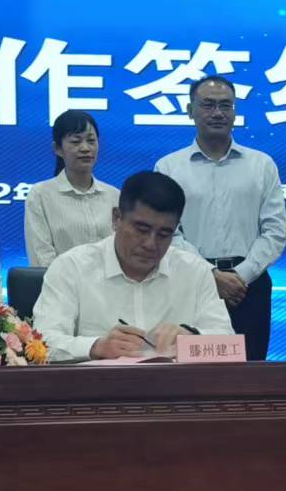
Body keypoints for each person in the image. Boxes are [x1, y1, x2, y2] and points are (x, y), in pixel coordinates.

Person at [33, 171, 233, 363]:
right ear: (116, 218)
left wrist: (193, 337)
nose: (150, 244)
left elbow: (228, 342)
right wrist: (96, 347)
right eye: (142, 230)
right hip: (99, 385)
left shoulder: (195, 272)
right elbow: (42, 342)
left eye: (164, 234)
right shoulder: (71, 267)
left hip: (177, 385)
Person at [155, 76, 286, 359]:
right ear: (190, 111)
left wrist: (241, 276)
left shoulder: (261, 165)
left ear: (235, 112)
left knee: (250, 371)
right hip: (190, 283)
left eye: (226, 105)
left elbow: (275, 231)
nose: (218, 113)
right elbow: (168, 233)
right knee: (191, 369)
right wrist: (210, 275)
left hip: (249, 288)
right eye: (208, 105)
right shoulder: (169, 167)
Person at [24, 109, 118, 266]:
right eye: (76, 142)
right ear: (57, 148)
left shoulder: (114, 196)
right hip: (60, 280)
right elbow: (41, 256)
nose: (85, 148)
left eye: (91, 141)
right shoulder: (41, 195)